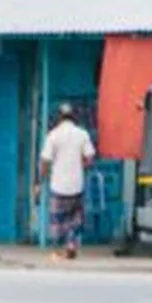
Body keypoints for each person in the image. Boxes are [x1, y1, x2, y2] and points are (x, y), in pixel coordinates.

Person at [39, 103, 95, 260]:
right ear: (74, 117)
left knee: (58, 219)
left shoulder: (53, 135)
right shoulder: (82, 134)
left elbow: (45, 161)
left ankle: (57, 249)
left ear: (59, 118)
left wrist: (40, 181)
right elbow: (90, 159)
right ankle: (71, 245)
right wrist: (80, 166)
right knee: (75, 219)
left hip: (58, 185)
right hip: (77, 185)